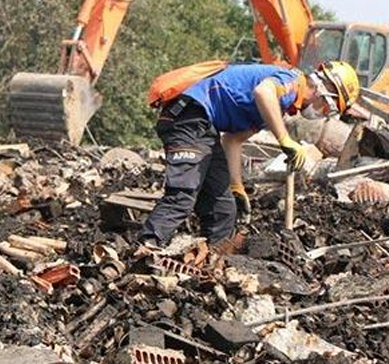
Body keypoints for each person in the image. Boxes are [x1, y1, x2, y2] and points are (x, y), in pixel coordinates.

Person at [139, 61, 360, 249]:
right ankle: (147, 247)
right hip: (188, 117)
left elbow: (233, 140)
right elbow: (263, 91)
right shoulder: (291, 81)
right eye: (327, 108)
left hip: (205, 129)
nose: (320, 113)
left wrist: (237, 186)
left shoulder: (275, 110)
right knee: (183, 194)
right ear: (324, 89)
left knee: (223, 206)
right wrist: (284, 139)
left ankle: (215, 258)